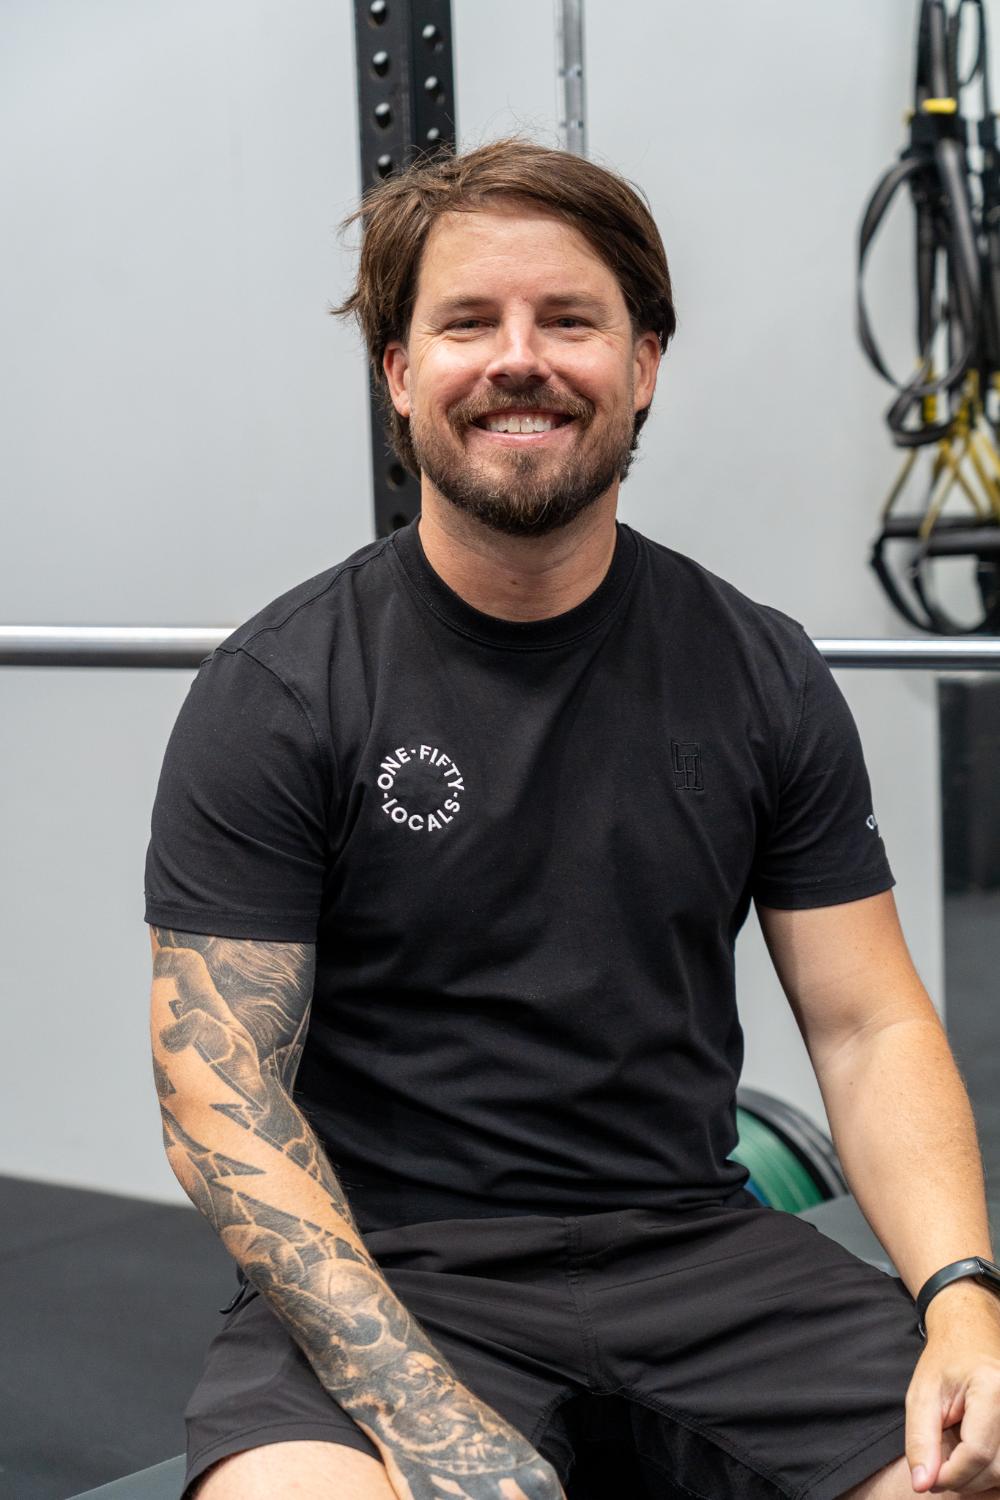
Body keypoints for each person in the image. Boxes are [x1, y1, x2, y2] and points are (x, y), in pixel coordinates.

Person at [145, 139, 1000, 1500]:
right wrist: (424, 1415)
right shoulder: (281, 689)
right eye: (467, 323)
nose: (518, 359)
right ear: (399, 374)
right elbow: (218, 1092)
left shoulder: (761, 671)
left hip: (700, 1257)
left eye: (568, 320)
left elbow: (867, 1024)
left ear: (644, 364)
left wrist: (962, 1298)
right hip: (395, 1269)